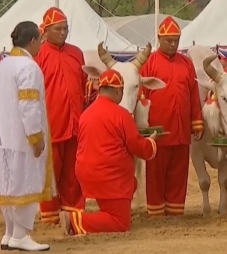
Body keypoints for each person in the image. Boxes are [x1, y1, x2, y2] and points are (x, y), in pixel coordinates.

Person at [62, 70, 158, 234]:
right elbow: (137, 146)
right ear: (117, 91)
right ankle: (74, 220)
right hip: (110, 176)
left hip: (86, 172)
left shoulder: (86, 114)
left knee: (129, 187)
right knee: (120, 223)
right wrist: (151, 143)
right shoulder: (122, 115)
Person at [0, 22, 53, 251]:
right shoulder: (28, 67)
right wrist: (36, 136)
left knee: (9, 186)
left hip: (4, 137)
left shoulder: (2, 65)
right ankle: (20, 235)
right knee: (26, 185)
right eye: (40, 41)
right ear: (33, 41)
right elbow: (29, 104)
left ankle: (9, 233)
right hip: (22, 138)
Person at [140, 16, 203, 217]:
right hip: (157, 131)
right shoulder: (149, 63)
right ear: (159, 38)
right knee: (156, 173)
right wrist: (144, 126)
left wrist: (197, 122)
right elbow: (142, 96)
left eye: (176, 40)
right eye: (168, 40)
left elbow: (193, 94)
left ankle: (175, 210)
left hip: (181, 129)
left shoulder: (187, 63)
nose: (173, 44)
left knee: (179, 172)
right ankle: (156, 211)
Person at [36, 7, 90, 223]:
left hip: (75, 122)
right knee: (50, 173)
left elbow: (84, 84)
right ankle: (49, 215)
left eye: (66, 28)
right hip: (50, 123)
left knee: (73, 172)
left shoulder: (77, 53)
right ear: (45, 31)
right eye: (58, 29)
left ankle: (73, 212)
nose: (63, 32)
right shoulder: (38, 54)